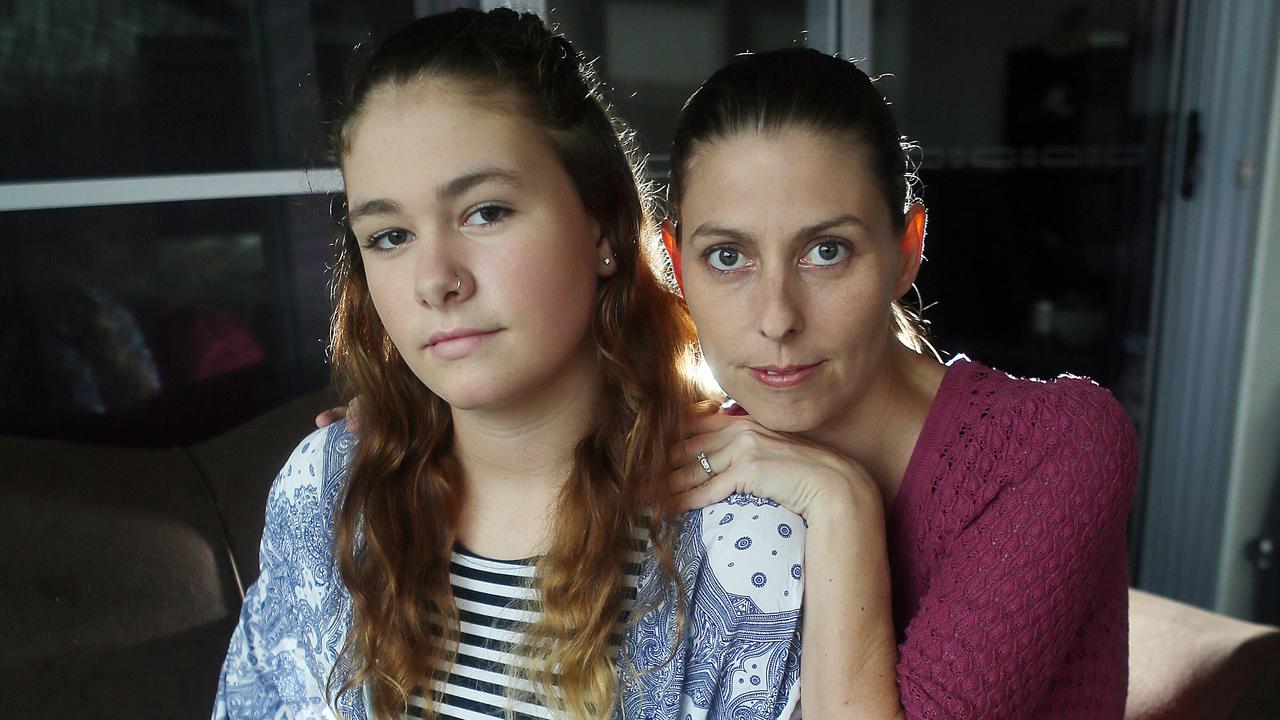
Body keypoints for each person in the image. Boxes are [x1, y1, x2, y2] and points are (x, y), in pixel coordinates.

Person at [215, 9, 812, 720]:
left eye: (485, 212)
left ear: (604, 228)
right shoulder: (324, 495)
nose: (435, 280)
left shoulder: (741, 546)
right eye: (390, 235)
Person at [659, 48, 1139, 719]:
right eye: (728, 257)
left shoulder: (1055, 446)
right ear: (677, 266)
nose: (776, 318)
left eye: (826, 251)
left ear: (906, 249)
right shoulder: (714, 452)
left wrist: (839, 502)